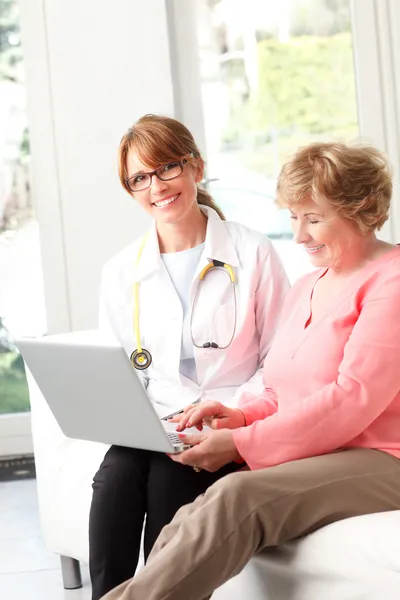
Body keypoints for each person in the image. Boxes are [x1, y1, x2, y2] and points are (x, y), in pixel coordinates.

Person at [100, 141, 400, 600]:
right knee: (195, 511)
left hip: (384, 457)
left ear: (361, 208)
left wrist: (242, 442)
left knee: (239, 497)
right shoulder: (308, 285)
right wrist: (238, 416)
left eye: (313, 218)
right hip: (328, 450)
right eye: (293, 218)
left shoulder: (391, 281)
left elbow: (350, 398)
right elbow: (282, 392)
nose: (299, 236)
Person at [89, 114, 289, 599]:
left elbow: (281, 360)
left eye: (166, 168)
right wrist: (138, 419)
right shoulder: (121, 273)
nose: (155, 186)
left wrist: (233, 416)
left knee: (166, 480)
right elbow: (115, 372)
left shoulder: (253, 252)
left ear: (196, 167)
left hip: (227, 419)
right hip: (153, 424)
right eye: (140, 177)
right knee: (113, 479)